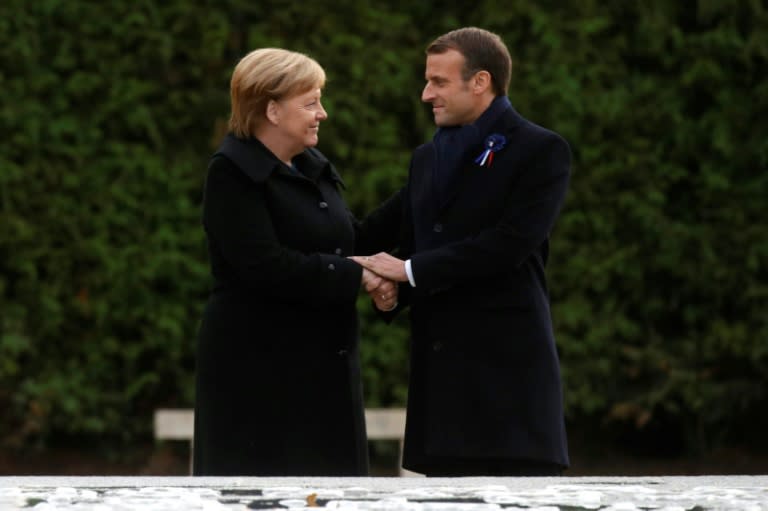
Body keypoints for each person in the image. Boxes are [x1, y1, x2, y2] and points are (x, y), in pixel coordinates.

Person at [352, 27, 571, 476]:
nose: (425, 93)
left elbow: (511, 244)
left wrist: (408, 271)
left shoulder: (541, 149)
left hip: (508, 390)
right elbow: (371, 234)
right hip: (441, 396)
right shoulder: (427, 159)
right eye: (427, 80)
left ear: (480, 81)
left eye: (438, 81)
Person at [193, 48, 396, 476]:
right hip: (260, 374)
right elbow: (265, 266)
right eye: (310, 102)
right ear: (271, 109)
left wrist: (418, 196)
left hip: (326, 368)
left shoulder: (311, 166)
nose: (322, 113)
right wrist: (359, 275)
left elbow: (348, 242)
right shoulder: (232, 173)